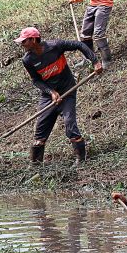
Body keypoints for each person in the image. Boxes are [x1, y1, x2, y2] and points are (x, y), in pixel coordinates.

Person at [15, 26, 102, 165]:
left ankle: (81, 159)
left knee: (69, 123)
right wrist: (51, 92)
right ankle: (36, 165)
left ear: (33, 39)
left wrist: (95, 61)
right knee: (40, 133)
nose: (22, 44)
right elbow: (36, 80)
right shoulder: (28, 60)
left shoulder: (55, 46)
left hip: (67, 90)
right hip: (48, 95)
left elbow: (79, 45)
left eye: (24, 41)